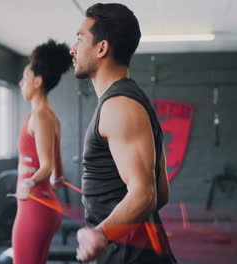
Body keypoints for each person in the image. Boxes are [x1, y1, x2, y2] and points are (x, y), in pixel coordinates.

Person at [69, 3, 177, 263]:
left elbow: (146, 194)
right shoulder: (131, 101)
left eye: (80, 38)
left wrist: (102, 234)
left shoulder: (119, 106)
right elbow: (160, 193)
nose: (72, 49)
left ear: (102, 48)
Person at [12, 39, 72, 264]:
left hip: (35, 206)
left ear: (37, 82)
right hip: (41, 204)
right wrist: (56, 178)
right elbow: (56, 172)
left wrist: (28, 182)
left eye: (25, 78)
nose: (20, 83)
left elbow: (47, 167)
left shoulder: (40, 116)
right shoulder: (49, 115)